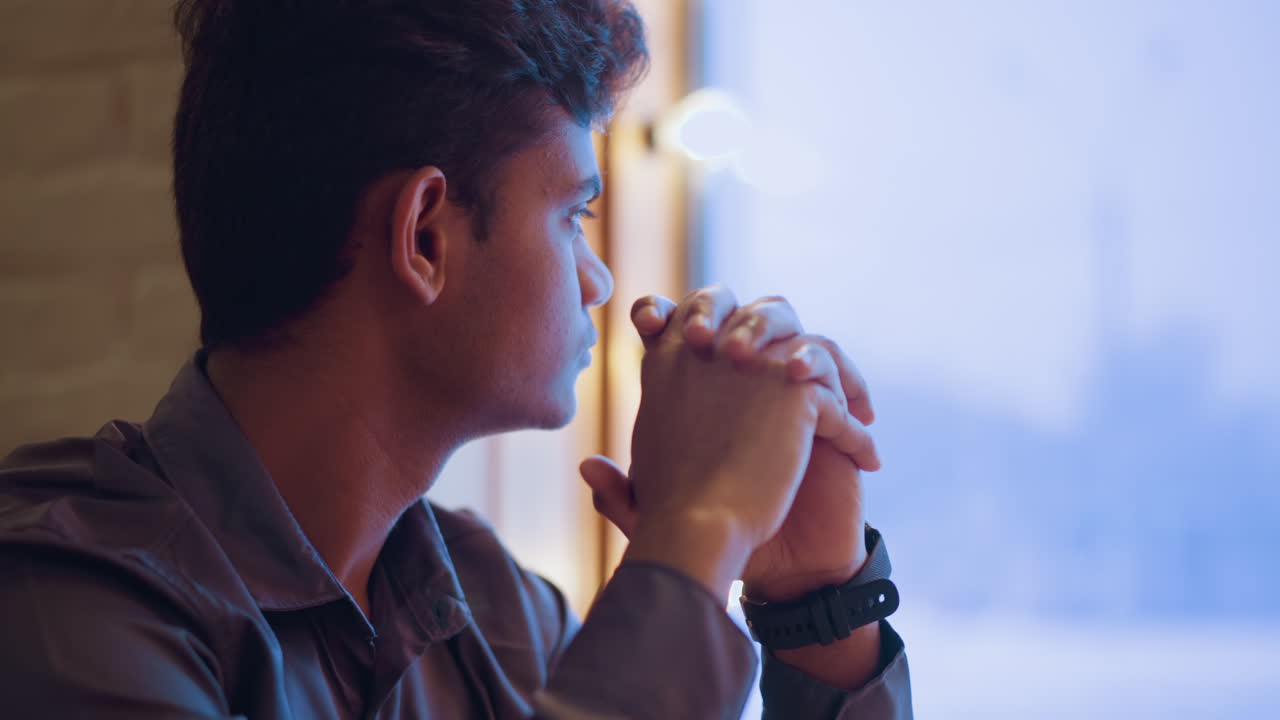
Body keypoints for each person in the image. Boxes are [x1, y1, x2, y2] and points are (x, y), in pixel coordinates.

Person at [0, 0, 912, 717]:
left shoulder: (499, 614)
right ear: (425, 237)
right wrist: (700, 526)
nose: (598, 280)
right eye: (574, 216)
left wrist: (814, 608)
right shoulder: (62, 608)